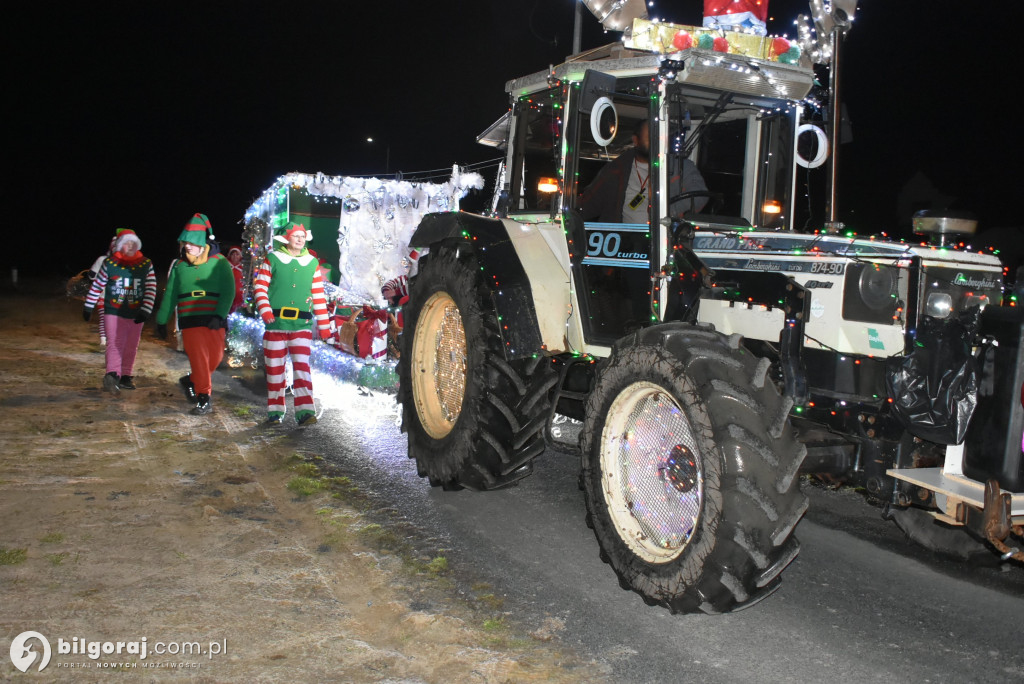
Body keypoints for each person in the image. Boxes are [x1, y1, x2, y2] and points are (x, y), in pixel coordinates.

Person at [155, 213, 235, 415]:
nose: (186, 247)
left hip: (214, 318)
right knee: (199, 359)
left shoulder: (220, 262)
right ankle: (204, 398)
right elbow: (171, 294)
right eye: (184, 243)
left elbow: (229, 291)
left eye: (190, 243)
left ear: (202, 242)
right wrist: (161, 321)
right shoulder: (180, 266)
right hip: (190, 319)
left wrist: (219, 314)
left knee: (215, 358)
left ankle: (191, 380)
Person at [252, 222, 331, 426]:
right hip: (276, 324)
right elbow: (260, 287)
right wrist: (265, 310)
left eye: (302, 236)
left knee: (302, 368)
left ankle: (305, 412)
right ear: (286, 238)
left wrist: (325, 327)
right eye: (295, 236)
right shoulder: (273, 259)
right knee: (275, 369)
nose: (299, 239)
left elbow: (318, 296)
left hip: (301, 325)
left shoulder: (312, 263)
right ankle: (275, 412)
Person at [578, 119, 708, 223]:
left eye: (661, 137)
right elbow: (588, 204)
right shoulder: (616, 169)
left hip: (666, 243)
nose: (657, 141)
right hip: (622, 246)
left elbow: (699, 196)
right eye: (651, 137)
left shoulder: (682, 167)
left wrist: (665, 214)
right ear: (636, 140)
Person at [83, 229, 157, 393]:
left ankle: (126, 376)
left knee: (131, 345)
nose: (130, 246)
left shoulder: (146, 264)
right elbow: (97, 285)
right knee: (115, 343)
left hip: (136, 312)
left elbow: (151, 288)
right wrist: (89, 305)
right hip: (113, 311)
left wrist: (146, 309)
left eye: (133, 242)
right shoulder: (110, 263)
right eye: (126, 242)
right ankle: (112, 375)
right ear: (120, 246)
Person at [225, 245, 245, 312]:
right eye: (232, 254)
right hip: (227, 294)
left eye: (237, 254)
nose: (235, 256)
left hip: (239, 296)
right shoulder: (225, 266)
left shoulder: (243, 268)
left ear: (240, 256)